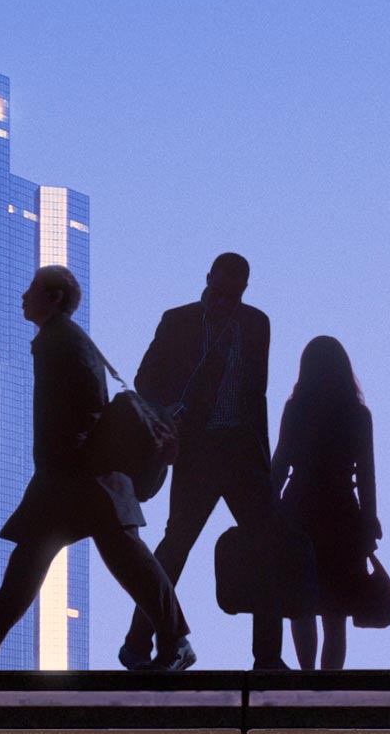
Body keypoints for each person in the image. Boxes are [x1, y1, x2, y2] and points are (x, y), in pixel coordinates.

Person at [0, 266, 192, 675]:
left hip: (85, 479)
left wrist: (60, 469)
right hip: (81, 478)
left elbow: (81, 412)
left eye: (32, 290)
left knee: (126, 563)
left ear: (53, 299)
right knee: (38, 558)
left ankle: (176, 642)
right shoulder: (61, 339)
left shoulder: (60, 341)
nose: (23, 296)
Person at [121, 251, 285, 672]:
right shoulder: (179, 321)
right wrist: (174, 409)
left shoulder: (256, 325)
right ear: (208, 279)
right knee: (177, 547)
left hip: (241, 452)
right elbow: (144, 381)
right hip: (198, 450)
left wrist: (264, 462)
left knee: (264, 549)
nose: (222, 301)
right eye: (218, 292)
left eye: (231, 295)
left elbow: (257, 397)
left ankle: (267, 658)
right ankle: (139, 645)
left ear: (242, 291)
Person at [268, 335, 383, 673]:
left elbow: (282, 460)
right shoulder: (357, 415)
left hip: (299, 511)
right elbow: (366, 474)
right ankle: (329, 684)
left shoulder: (297, 409)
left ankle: (305, 678)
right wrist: (369, 520)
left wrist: (263, 508)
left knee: (301, 603)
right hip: (342, 516)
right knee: (336, 611)